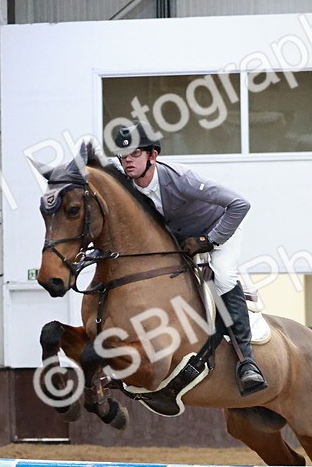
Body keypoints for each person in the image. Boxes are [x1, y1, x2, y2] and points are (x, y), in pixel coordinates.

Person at [111, 123, 267, 396]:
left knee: (223, 275)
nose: (127, 162)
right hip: (182, 243)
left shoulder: (182, 180)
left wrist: (211, 240)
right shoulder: (128, 187)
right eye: (123, 157)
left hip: (220, 229)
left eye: (134, 154)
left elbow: (239, 204)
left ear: (152, 155)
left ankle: (247, 362)